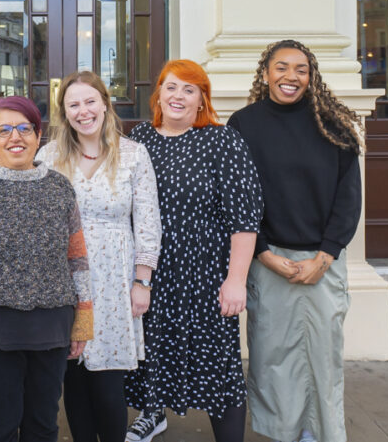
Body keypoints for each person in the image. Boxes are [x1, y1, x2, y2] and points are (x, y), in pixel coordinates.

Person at [227, 40, 363, 442]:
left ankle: (318, 433)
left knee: (323, 357)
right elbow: (240, 198)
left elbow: (348, 197)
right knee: (272, 359)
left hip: (322, 261)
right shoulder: (244, 124)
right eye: (281, 67)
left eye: (300, 69)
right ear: (265, 72)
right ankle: (281, 433)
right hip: (268, 261)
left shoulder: (333, 124)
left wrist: (325, 257)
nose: (291, 76)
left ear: (311, 75)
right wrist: (265, 254)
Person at [0, 95, 94, 442]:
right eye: (4, 130)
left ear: (39, 136)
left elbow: (78, 260)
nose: (16, 137)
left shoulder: (59, 189)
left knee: (43, 426)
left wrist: (82, 321)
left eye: (25, 128)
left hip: (52, 328)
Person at [124, 59, 263, 442]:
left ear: (202, 98)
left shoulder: (222, 141)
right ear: (159, 94)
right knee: (150, 354)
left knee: (219, 363)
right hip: (154, 272)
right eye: (171, 87)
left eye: (189, 89)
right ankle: (153, 415)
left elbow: (244, 220)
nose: (178, 96)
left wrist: (236, 280)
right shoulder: (140, 140)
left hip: (206, 276)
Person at [37, 71, 161, 442]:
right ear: (64, 113)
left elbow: (149, 224)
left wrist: (142, 281)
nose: (83, 111)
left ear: (105, 105)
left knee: (108, 381)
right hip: (65, 277)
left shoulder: (133, 155)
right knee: (73, 376)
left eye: (90, 101)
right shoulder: (49, 156)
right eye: (73, 104)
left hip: (115, 278)